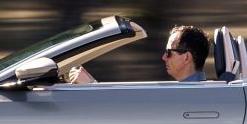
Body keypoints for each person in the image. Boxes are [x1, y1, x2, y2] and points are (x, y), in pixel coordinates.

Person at [68, 25, 209, 84]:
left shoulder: (187, 96)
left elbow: (127, 118)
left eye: (168, 52)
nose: (163, 57)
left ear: (186, 58)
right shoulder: (190, 92)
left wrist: (91, 86)